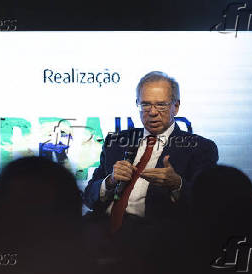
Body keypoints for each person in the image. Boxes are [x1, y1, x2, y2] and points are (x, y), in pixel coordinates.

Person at [83, 71, 219, 232]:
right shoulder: (117, 141)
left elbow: (205, 205)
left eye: (161, 105)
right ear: (137, 104)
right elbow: (88, 197)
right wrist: (110, 181)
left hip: (155, 235)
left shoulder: (199, 147)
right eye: (146, 104)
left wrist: (177, 184)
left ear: (175, 107)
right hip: (101, 227)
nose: (153, 112)